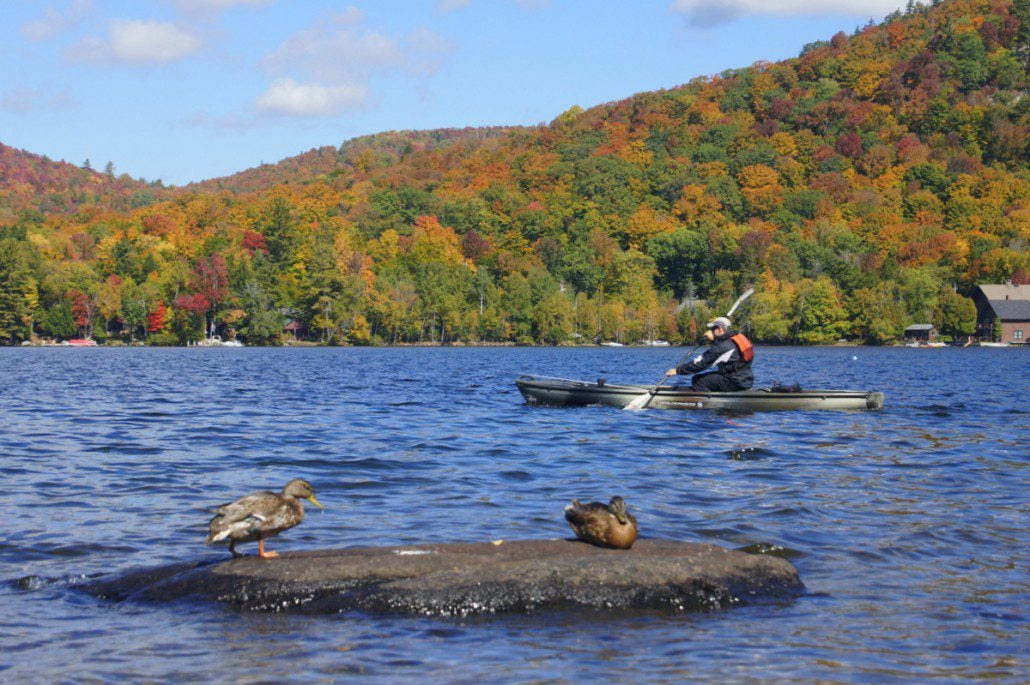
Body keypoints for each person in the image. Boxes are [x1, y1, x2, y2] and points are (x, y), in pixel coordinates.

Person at [665, 316, 754, 391]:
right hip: (746, 380)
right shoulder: (735, 338)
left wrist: (678, 370)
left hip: (734, 381)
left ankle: (704, 405)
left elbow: (701, 363)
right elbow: (716, 352)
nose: (710, 331)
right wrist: (714, 340)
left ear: (720, 329)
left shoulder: (722, 346)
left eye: (712, 329)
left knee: (699, 381)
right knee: (700, 378)